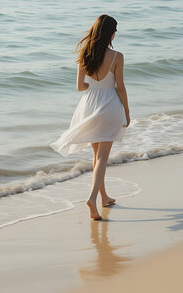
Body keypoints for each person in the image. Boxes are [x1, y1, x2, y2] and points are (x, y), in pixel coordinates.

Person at [50, 14, 130, 220]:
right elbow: (120, 87)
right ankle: (92, 198)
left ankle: (104, 197)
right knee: (103, 157)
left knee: (96, 156)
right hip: (109, 105)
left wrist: (92, 86)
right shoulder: (117, 57)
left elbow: (79, 87)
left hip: (88, 105)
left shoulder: (84, 54)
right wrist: (127, 112)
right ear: (110, 33)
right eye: (115, 30)